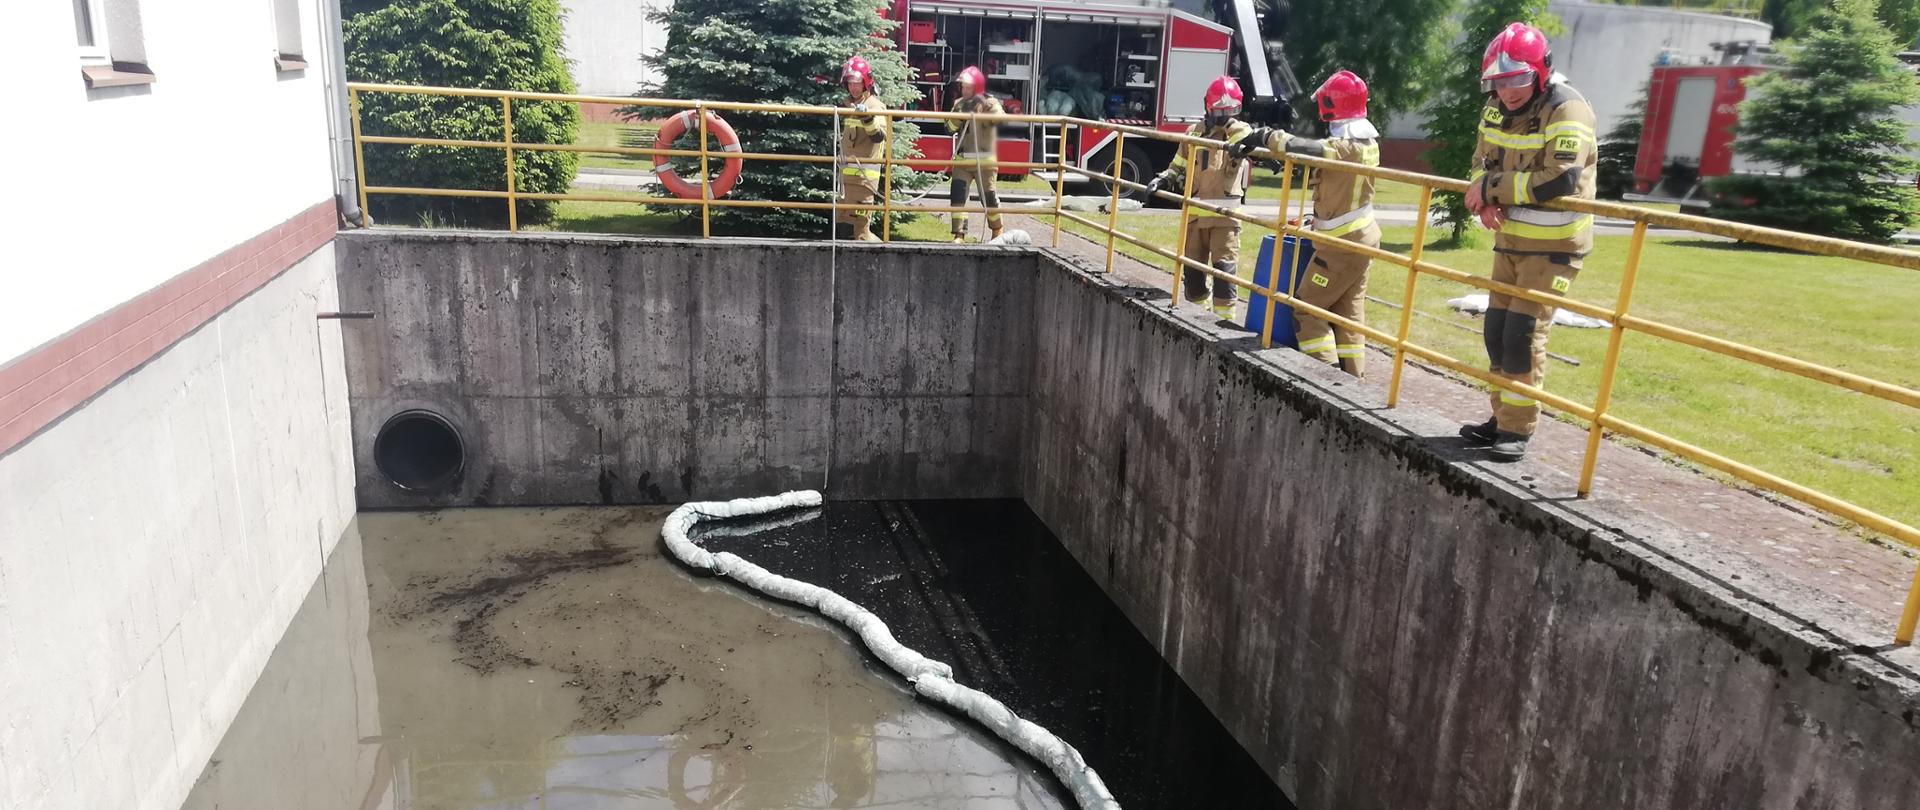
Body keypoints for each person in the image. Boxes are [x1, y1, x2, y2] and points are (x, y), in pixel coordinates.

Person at [1459, 22, 1598, 462]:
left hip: (1554, 246)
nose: (1508, 91)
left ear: (1539, 72)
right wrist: (1482, 198)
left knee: (1522, 334)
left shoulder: (1567, 108)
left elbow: (1561, 178)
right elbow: (1481, 161)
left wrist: (1494, 188)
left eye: (1516, 79)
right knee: (1497, 332)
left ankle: (1517, 430)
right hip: (1511, 240)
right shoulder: (1496, 108)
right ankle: (1501, 419)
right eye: (1498, 83)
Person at [1232, 70, 1381, 377]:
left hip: (1341, 246)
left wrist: (1265, 136)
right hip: (1358, 239)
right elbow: (1335, 182)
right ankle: (1354, 380)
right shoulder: (1365, 143)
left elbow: (1310, 149)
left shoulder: (1347, 147)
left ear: (1333, 104)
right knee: (1347, 314)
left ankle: (1323, 375)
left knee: (1306, 309)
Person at [1143, 75, 1257, 321]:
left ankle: (1224, 322)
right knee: (1193, 275)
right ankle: (1195, 318)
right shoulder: (1194, 132)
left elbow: (1246, 141)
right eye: (1217, 110)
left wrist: (1227, 124)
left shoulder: (1239, 132)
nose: (1220, 116)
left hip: (1225, 219)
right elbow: (1179, 163)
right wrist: (1164, 178)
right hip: (1195, 214)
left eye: (1226, 111)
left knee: (1224, 275)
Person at [947, 66, 1004, 243]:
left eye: (967, 87)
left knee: (988, 197)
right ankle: (959, 234)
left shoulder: (990, 103)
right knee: (958, 197)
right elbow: (949, 128)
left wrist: (980, 114)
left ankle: (997, 230)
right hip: (962, 162)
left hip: (984, 162)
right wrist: (959, 116)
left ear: (977, 87)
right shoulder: (958, 104)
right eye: (962, 87)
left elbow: (999, 119)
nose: (964, 90)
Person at [836, 55, 890, 242]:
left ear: (866, 82)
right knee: (842, 230)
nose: (853, 87)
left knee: (860, 233)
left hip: (864, 181)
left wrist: (867, 119)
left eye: (857, 82)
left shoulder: (875, 106)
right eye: (850, 83)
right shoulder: (848, 106)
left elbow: (879, 136)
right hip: (846, 180)